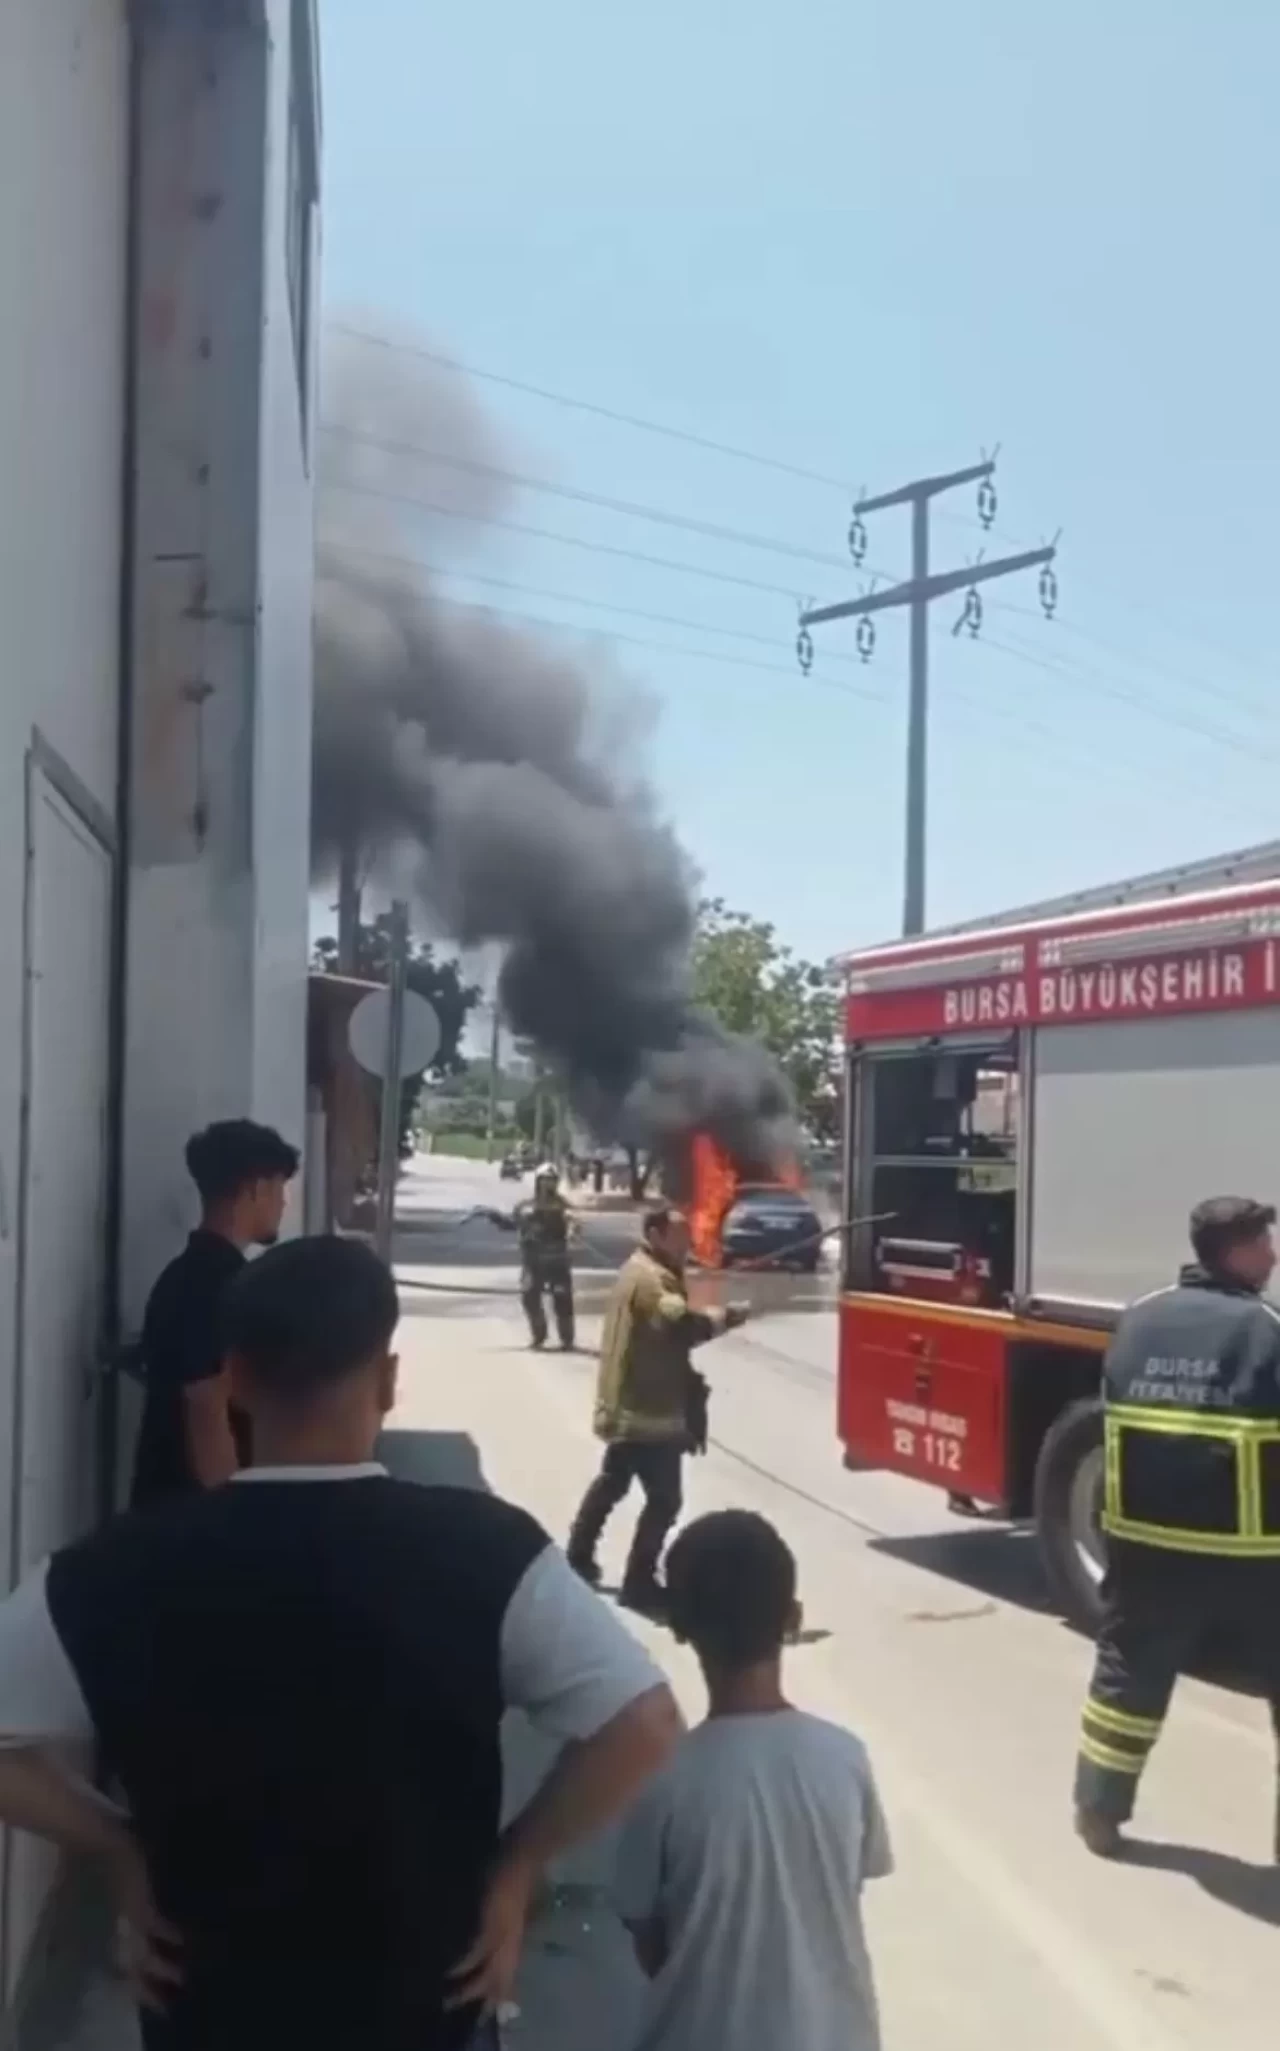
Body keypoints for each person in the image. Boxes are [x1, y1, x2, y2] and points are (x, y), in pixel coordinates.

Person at [0, 1235, 680, 2051]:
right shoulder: (485, 1551)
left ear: (234, 1380)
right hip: (426, 2011)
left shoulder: (115, 1568)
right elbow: (645, 1723)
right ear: (388, 1381)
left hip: (209, 2012)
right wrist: (516, 1865)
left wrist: (116, 1845)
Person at [614, 1510, 893, 2051]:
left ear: (677, 1626)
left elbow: (648, 1940)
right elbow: (845, 1890)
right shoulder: (844, 1758)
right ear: (793, 1618)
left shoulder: (662, 1783)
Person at [1074, 1194, 1280, 1859]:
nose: (1274, 1255)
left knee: (1127, 1675)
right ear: (1235, 1252)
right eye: (1264, 1242)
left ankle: (1098, 1809)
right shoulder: (1267, 1329)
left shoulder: (1140, 1317)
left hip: (1145, 1544)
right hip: (1256, 1554)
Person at [567, 1205, 747, 1617]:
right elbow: (680, 1324)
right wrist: (726, 1319)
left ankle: (577, 1555)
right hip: (648, 1412)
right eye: (679, 1236)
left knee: (613, 1482)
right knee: (665, 1500)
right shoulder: (652, 1280)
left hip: (630, 1403)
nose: (687, 1243)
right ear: (655, 1234)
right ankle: (639, 1583)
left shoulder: (640, 1268)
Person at [130, 1120, 300, 1509]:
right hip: (190, 1517)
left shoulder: (184, 1275)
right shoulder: (218, 1287)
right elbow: (206, 1409)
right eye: (280, 1189)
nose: (284, 1204)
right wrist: (233, 1517)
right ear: (256, 1189)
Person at [494, 1162, 578, 1350]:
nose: (548, 1184)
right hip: (533, 1262)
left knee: (562, 1297)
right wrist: (496, 1218)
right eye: (544, 1180)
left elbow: (573, 1220)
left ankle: (567, 1339)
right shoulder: (526, 1207)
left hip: (557, 1260)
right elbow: (511, 1224)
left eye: (551, 1180)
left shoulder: (563, 1206)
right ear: (537, 1182)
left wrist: (573, 1231)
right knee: (529, 1295)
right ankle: (539, 1335)